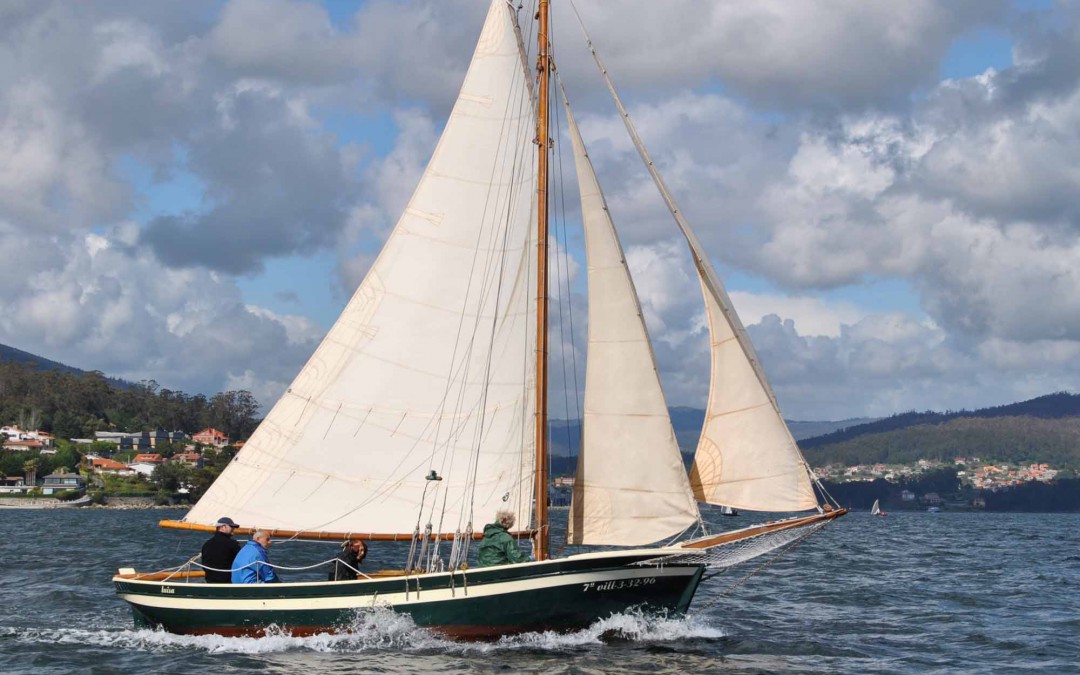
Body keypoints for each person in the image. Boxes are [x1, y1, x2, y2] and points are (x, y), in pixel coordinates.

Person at [200, 517, 242, 584]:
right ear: (223, 527)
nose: (233, 529)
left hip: (210, 581)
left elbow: (204, 564)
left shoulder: (207, 544)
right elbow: (241, 562)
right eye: (231, 527)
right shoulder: (232, 544)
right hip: (228, 582)